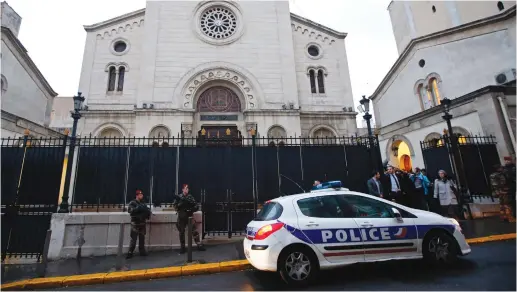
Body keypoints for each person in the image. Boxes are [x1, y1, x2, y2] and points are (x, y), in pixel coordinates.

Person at [174, 184, 205, 253]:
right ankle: (182, 248)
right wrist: (181, 204)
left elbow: (196, 206)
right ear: (182, 189)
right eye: (185, 188)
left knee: (194, 231)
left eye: (187, 189)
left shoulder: (190, 197)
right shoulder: (179, 197)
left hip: (189, 216)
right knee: (181, 232)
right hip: (181, 217)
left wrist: (191, 209)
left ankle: (199, 245)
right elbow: (175, 207)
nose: (186, 190)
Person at [126, 189, 151, 259]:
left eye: (142, 195)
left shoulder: (143, 203)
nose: (141, 196)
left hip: (142, 224)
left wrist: (148, 212)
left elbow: (146, 211)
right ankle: (130, 252)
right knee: (133, 240)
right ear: (137, 196)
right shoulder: (132, 203)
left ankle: (142, 251)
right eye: (140, 195)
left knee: (142, 239)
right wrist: (138, 208)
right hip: (135, 224)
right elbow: (130, 210)